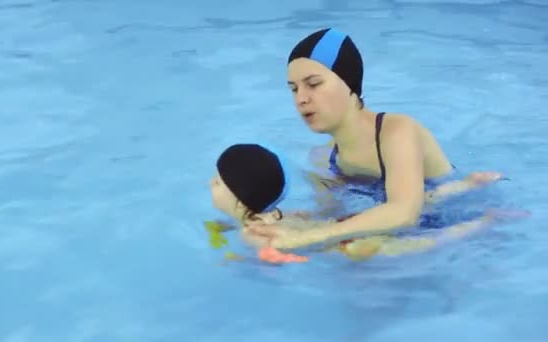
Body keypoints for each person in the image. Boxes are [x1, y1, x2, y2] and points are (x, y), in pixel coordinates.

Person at [245, 27, 479, 246]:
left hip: (465, 223)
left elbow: (404, 212)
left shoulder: (397, 132)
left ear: (350, 84)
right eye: (294, 89)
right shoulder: (322, 158)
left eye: (313, 84)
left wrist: (307, 238)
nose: (301, 98)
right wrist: (281, 221)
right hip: (412, 237)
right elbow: (334, 218)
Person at [209, 143, 507, 263]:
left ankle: (486, 222)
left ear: (240, 195)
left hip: (345, 244)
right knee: (402, 207)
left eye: (218, 182)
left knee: (424, 244)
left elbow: (284, 248)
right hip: (341, 225)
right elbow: (301, 218)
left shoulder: (250, 232)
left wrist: (270, 258)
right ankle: (463, 186)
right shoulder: (275, 213)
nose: (210, 184)